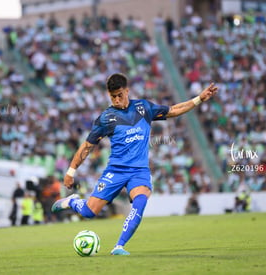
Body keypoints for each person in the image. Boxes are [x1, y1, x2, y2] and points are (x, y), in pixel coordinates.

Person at [52, 73, 218, 255]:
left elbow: (172, 110)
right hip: (115, 170)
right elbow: (87, 146)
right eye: (112, 96)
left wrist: (199, 99)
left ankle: (119, 246)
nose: (116, 100)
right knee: (89, 212)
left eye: (119, 95)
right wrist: (70, 171)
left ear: (127, 91)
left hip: (139, 171)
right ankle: (73, 201)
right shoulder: (106, 119)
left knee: (140, 202)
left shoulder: (143, 108)